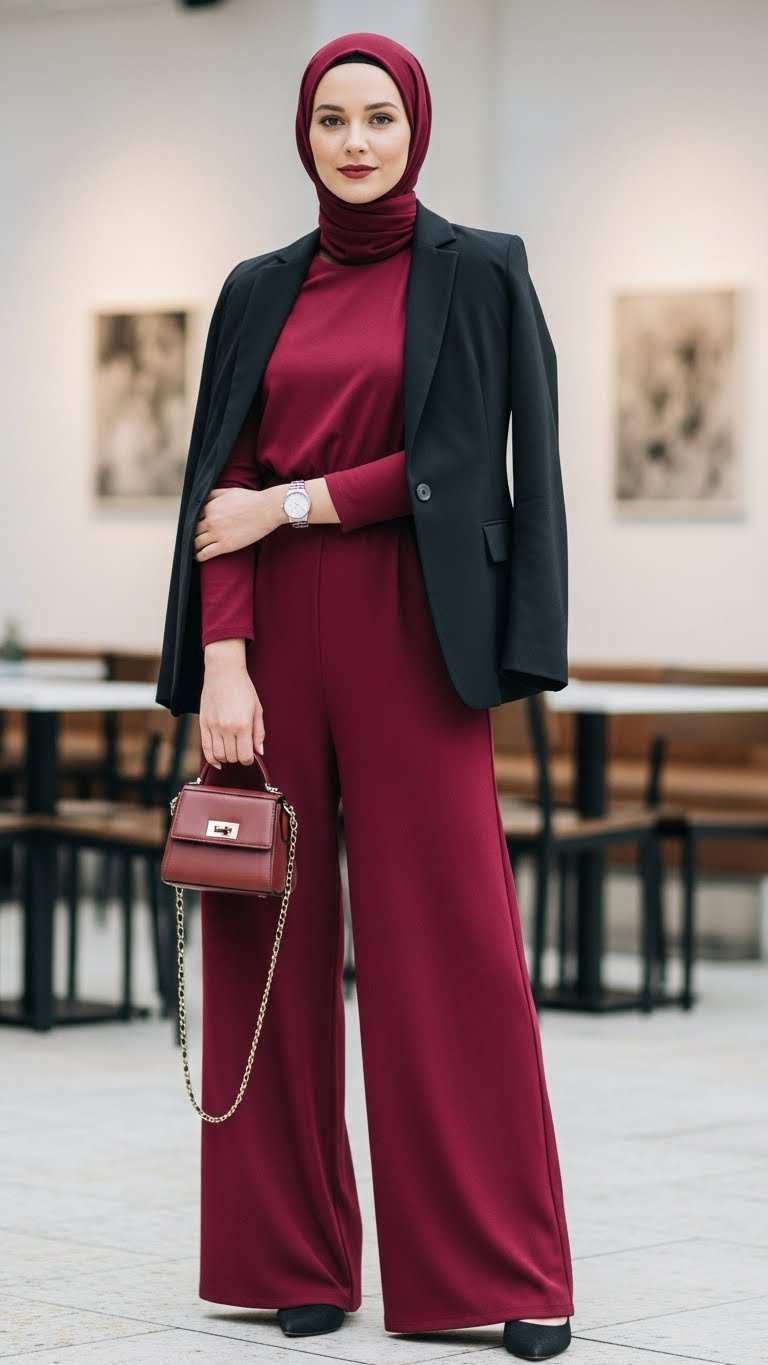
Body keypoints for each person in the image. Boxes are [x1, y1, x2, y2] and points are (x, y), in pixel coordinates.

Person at [155, 31, 574, 1361]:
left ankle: (498, 1267)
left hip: (417, 630)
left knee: (451, 948)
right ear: (305, 133)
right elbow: (218, 485)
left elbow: (468, 464)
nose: (354, 141)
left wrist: (294, 503)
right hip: (272, 639)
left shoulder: (482, 270)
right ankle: (291, 1256)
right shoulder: (256, 288)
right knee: (262, 936)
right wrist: (224, 661)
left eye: (378, 117)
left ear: (416, 127)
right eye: (332, 118)